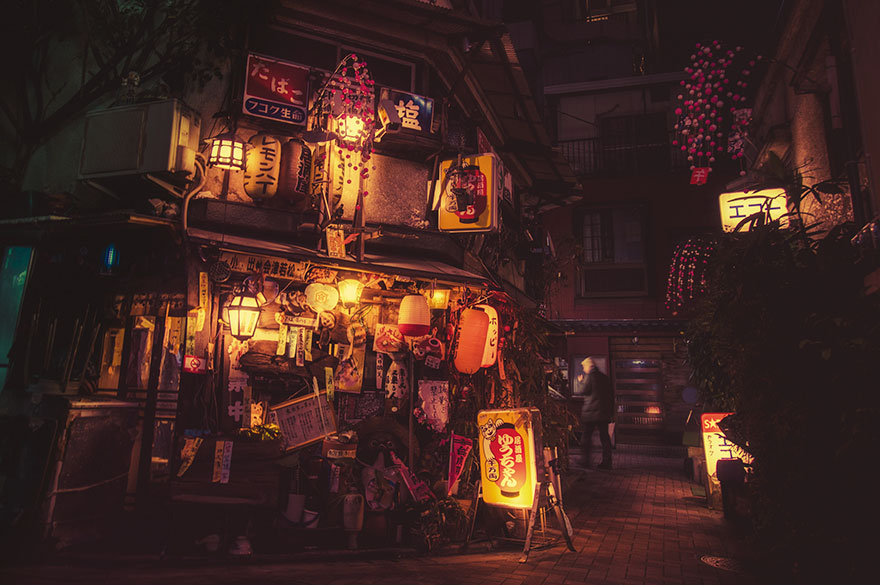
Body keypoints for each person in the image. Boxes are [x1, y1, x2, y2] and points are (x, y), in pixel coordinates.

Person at [578, 357, 615, 469]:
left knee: (586, 437)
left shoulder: (590, 377)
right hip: (603, 413)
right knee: (604, 438)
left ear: (589, 366)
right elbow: (610, 396)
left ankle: (585, 461)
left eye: (584, 367)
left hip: (591, 413)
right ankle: (607, 462)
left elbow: (584, 391)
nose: (584, 370)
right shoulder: (604, 378)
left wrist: (581, 382)